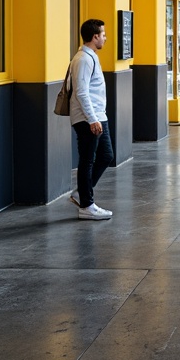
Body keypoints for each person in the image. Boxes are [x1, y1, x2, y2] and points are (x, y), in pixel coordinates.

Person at [69, 18, 115, 220]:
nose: (105, 38)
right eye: (103, 35)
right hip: (89, 118)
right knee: (87, 160)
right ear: (94, 36)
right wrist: (92, 119)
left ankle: (82, 193)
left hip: (97, 116)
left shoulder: (91, 57)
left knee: (106, 155)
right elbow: (81, 92)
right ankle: (87, 206)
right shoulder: (84, 59)